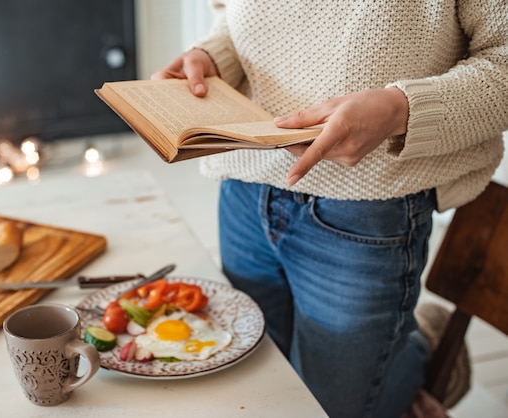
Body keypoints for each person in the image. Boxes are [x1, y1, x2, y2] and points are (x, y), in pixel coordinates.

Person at [152, 1, 508, 417]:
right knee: (256, 387)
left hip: (368, 212)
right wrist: (214, 56)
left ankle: (419, 348)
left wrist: (399, 110)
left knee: (327, 409)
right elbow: (233, 18)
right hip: (243, 188)